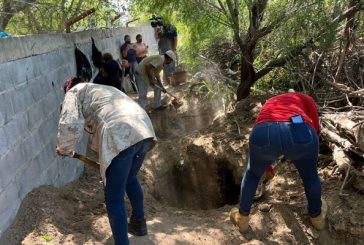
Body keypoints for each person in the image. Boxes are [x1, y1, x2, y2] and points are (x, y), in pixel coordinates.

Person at [56, 78, 157, 245]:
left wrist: (64, 148)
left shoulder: (73, 92)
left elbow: (69, 121)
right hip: (143, 129)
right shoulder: (103, 89)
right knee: (131, 179)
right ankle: (139, 224)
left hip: (120, 133)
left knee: (114, 196)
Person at [230, 92, 327, 232]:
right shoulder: (305, 98)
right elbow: (316, 128)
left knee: (252, 175)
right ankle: (317, 218)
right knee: (310, 175)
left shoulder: (270, 101)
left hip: (264, 131)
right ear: (296, 95)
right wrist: (301, 147)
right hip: (299, 127)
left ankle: (242, 218)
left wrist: (268, 168)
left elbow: (265, 133)